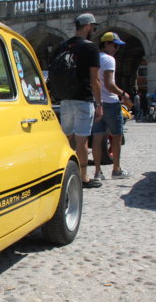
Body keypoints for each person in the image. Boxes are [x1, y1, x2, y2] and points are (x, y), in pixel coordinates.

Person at [55, 13, 103, 188]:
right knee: (82, 140)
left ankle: (63, 173)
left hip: (65, 99)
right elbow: (95, 79)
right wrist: (99, 104)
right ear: (88, 26)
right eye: (93, 27)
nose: (93, 30)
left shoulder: (62, 46)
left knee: (66, 138)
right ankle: (83, 177)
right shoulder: (90, 47)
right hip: (83, 99)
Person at [91, 32, 132, 180]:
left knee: (97, 138)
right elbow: (109, 84)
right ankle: (116, 170)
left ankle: (97, 172)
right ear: (106, 44)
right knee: (116, 136)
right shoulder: (109, 60)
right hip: (111, 103)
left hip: (96, 103)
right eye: (115, 45)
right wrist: (124, 94)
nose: (117, 49)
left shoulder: (93, 59)